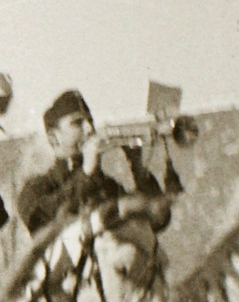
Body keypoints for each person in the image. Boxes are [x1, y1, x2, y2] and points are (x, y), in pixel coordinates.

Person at [16, 89, 162, 235]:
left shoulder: (106, 186)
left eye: (90, 121)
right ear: (54, 137)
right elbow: (39, 218)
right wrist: (86, 174)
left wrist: (138, 167)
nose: (90, 128)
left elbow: (156, 220)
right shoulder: (36, 187)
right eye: (77, 123)